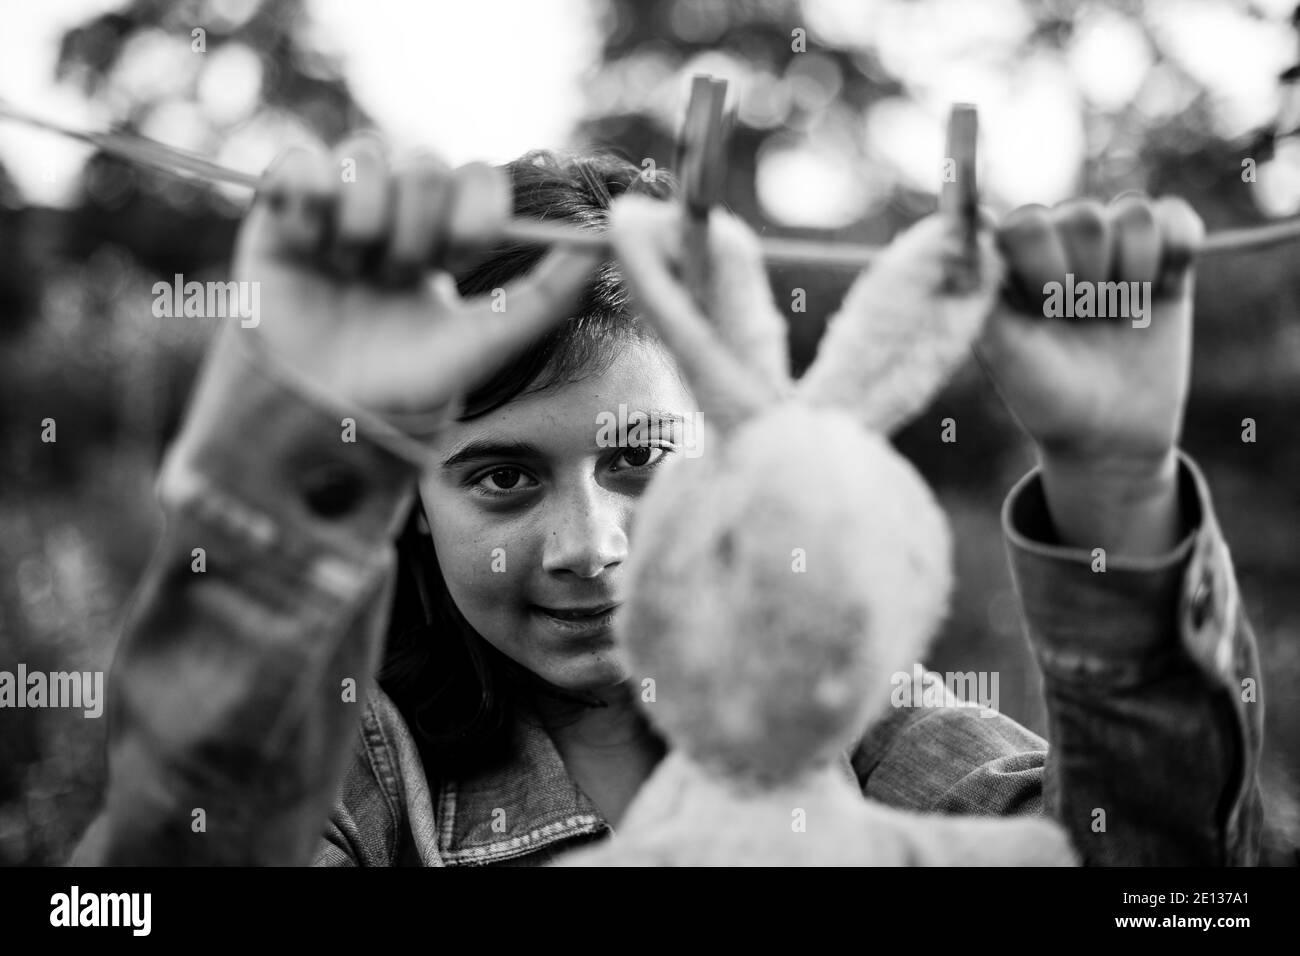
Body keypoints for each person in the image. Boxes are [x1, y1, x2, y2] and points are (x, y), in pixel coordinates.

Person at [70, 134, 1262, 866]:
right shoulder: (358, 784)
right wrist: (277, 492)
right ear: (412, 501)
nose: (592, 546)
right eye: (500, 476)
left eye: (640, 458)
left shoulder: (860, 723)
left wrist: (1117, 490)